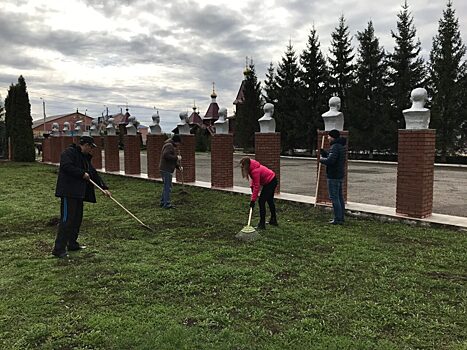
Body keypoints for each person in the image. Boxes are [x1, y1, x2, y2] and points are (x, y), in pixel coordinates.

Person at [52, 136, 111, 258]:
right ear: (84, 145)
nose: (91, 150)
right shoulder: (69, 153)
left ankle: (72, 243)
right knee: (66, 220)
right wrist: (81, 173)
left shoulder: (85, 158)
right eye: (90, 147)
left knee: (77, 219)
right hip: (68, 192)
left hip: (79, 193)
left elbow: (93, 173)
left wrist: (104, 187)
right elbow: (66, 166)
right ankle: (58, 249)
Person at [240, 157, 278, 229]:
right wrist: (252, 187)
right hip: (270, 181)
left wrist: (253, 200)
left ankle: (262, 224)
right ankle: (273, 221)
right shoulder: (252, 168)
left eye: (243, 165)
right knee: (269, 200)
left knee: (261, 201)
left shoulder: (255, 171)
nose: (242, 167)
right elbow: (254, 180)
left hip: (271, 181)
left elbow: (257, 186)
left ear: (247, 165)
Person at [319, 129, 347, 225]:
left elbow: (331, 161)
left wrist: (321, 159)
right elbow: (334, 158)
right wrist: (325, 153)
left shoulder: (335, 146)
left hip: (333, 175)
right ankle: (341, 217)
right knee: (339, 197)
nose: (328, 138)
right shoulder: (340, 146)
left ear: (333, 137)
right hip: (339, 175)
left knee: (334, 197)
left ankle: (338, 219)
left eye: (329, 136)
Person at [159, 134, 182, 209]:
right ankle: (167, 204)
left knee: (167, 186)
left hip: (166, 169)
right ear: (176, 141)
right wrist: (176, 157)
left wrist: (178, 167)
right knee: (168, 187)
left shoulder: (170, 146)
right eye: (179, 143)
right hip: (166, 169)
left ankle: (163, 202)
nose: (179, 145)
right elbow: (166, 155)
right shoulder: (169, 146)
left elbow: (171, 160)